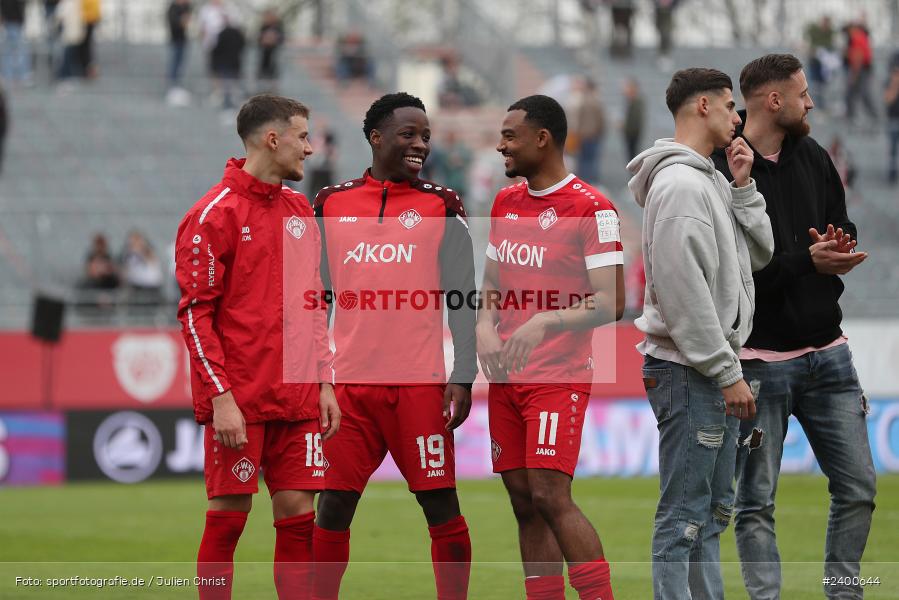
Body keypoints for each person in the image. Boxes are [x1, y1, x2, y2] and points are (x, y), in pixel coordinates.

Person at [711, 53, 875, 600]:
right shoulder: (721, 167)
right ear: (773, 100)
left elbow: (840, 221)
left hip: (830, 356)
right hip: (759, 364)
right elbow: (742, 272)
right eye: (802, 94)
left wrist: (839, 245)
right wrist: (811, 259)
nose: (811, 103)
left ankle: (843, 592)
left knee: (859, 489)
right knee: (755, 502)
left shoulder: (815, 156)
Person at [174, 94, 340, 600]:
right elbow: (195, 316)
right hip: (240, 403)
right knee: (228, 520)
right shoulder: (211, 216)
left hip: (298, 400)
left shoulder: (298, 210)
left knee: (299, 520)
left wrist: (325, 382)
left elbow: (313, 304)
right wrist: (221, 397)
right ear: (274, 139)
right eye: (303, 137)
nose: (310, 149)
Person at [312, 92, 476, 600]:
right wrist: (318, 379)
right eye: (409, 134)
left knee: (441, 505)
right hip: (351, 391)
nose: (420, 145)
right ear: (376, 137)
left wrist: (463, 374)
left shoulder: (441, 204)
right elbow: (315, 300)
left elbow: (462, 299)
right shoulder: (331, 203)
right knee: (333, 507)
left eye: (425, 136)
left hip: (420, 388)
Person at [628, 68, 774, 599]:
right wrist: (725, 369)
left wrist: (742, 188)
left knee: (710, 514)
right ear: (704, 107)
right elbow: (683, 294)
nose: (739, 118)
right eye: (732, 106)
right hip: (692, 372)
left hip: (705, 370)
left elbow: (758, 256)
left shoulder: (709, 179)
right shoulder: (681, 185)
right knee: (685, 516)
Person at [477, 94, 623, 600]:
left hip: (556, 375)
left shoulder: (593, 207)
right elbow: (492, 278)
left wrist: (546, 321)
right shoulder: (505, 202)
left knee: (549, 494)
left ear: (543, 139)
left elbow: (612, 302)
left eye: (510, 137)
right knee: (522, 499)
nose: (501, 146)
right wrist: (482, 324)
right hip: (504, 377)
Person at [571, 77, 606, 184]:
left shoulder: (583, 101)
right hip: (593, 135)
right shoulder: (597, 101)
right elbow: (601, 120)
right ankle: (591, 181)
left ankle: (583, 182)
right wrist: (599, 132)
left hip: (583, 135)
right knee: (591, 160)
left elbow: (578, 119)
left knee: (583, 160)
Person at [1, 0, 33, 85]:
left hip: (15, 23)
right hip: (12, 23)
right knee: (13, 51)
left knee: (13, 51)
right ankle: (15, 75)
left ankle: (15, 75)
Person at [166, 0, 192, 96]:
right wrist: (182, 20)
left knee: (180, 64)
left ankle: (178, 86)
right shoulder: (173, 8)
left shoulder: (185, 7)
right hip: (175, 40)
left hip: (182, 40)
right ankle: (173, 87)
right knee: (175, 64)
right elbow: (176, 23)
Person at [256, 8, 284, 92]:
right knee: (263, 73)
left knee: (273, 73)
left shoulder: (278, 27)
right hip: (265, 55)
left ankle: (273, 89)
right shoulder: (263, 27)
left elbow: (280, 39)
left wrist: (273, 39)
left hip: (274, 54)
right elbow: (260, 39)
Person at [622, 77, 645, 161]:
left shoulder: (637, 102)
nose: (624, 90)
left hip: (633, 135)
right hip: (630, 135)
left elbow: (635, 122)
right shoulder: (631, 101)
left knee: (633, 159)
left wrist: (624, 127)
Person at [885, 58, 899, 183]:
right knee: (893, 149)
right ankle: (892, 173)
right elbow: (888, 99)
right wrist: (895, 85)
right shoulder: (889, 83)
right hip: (893, 120)